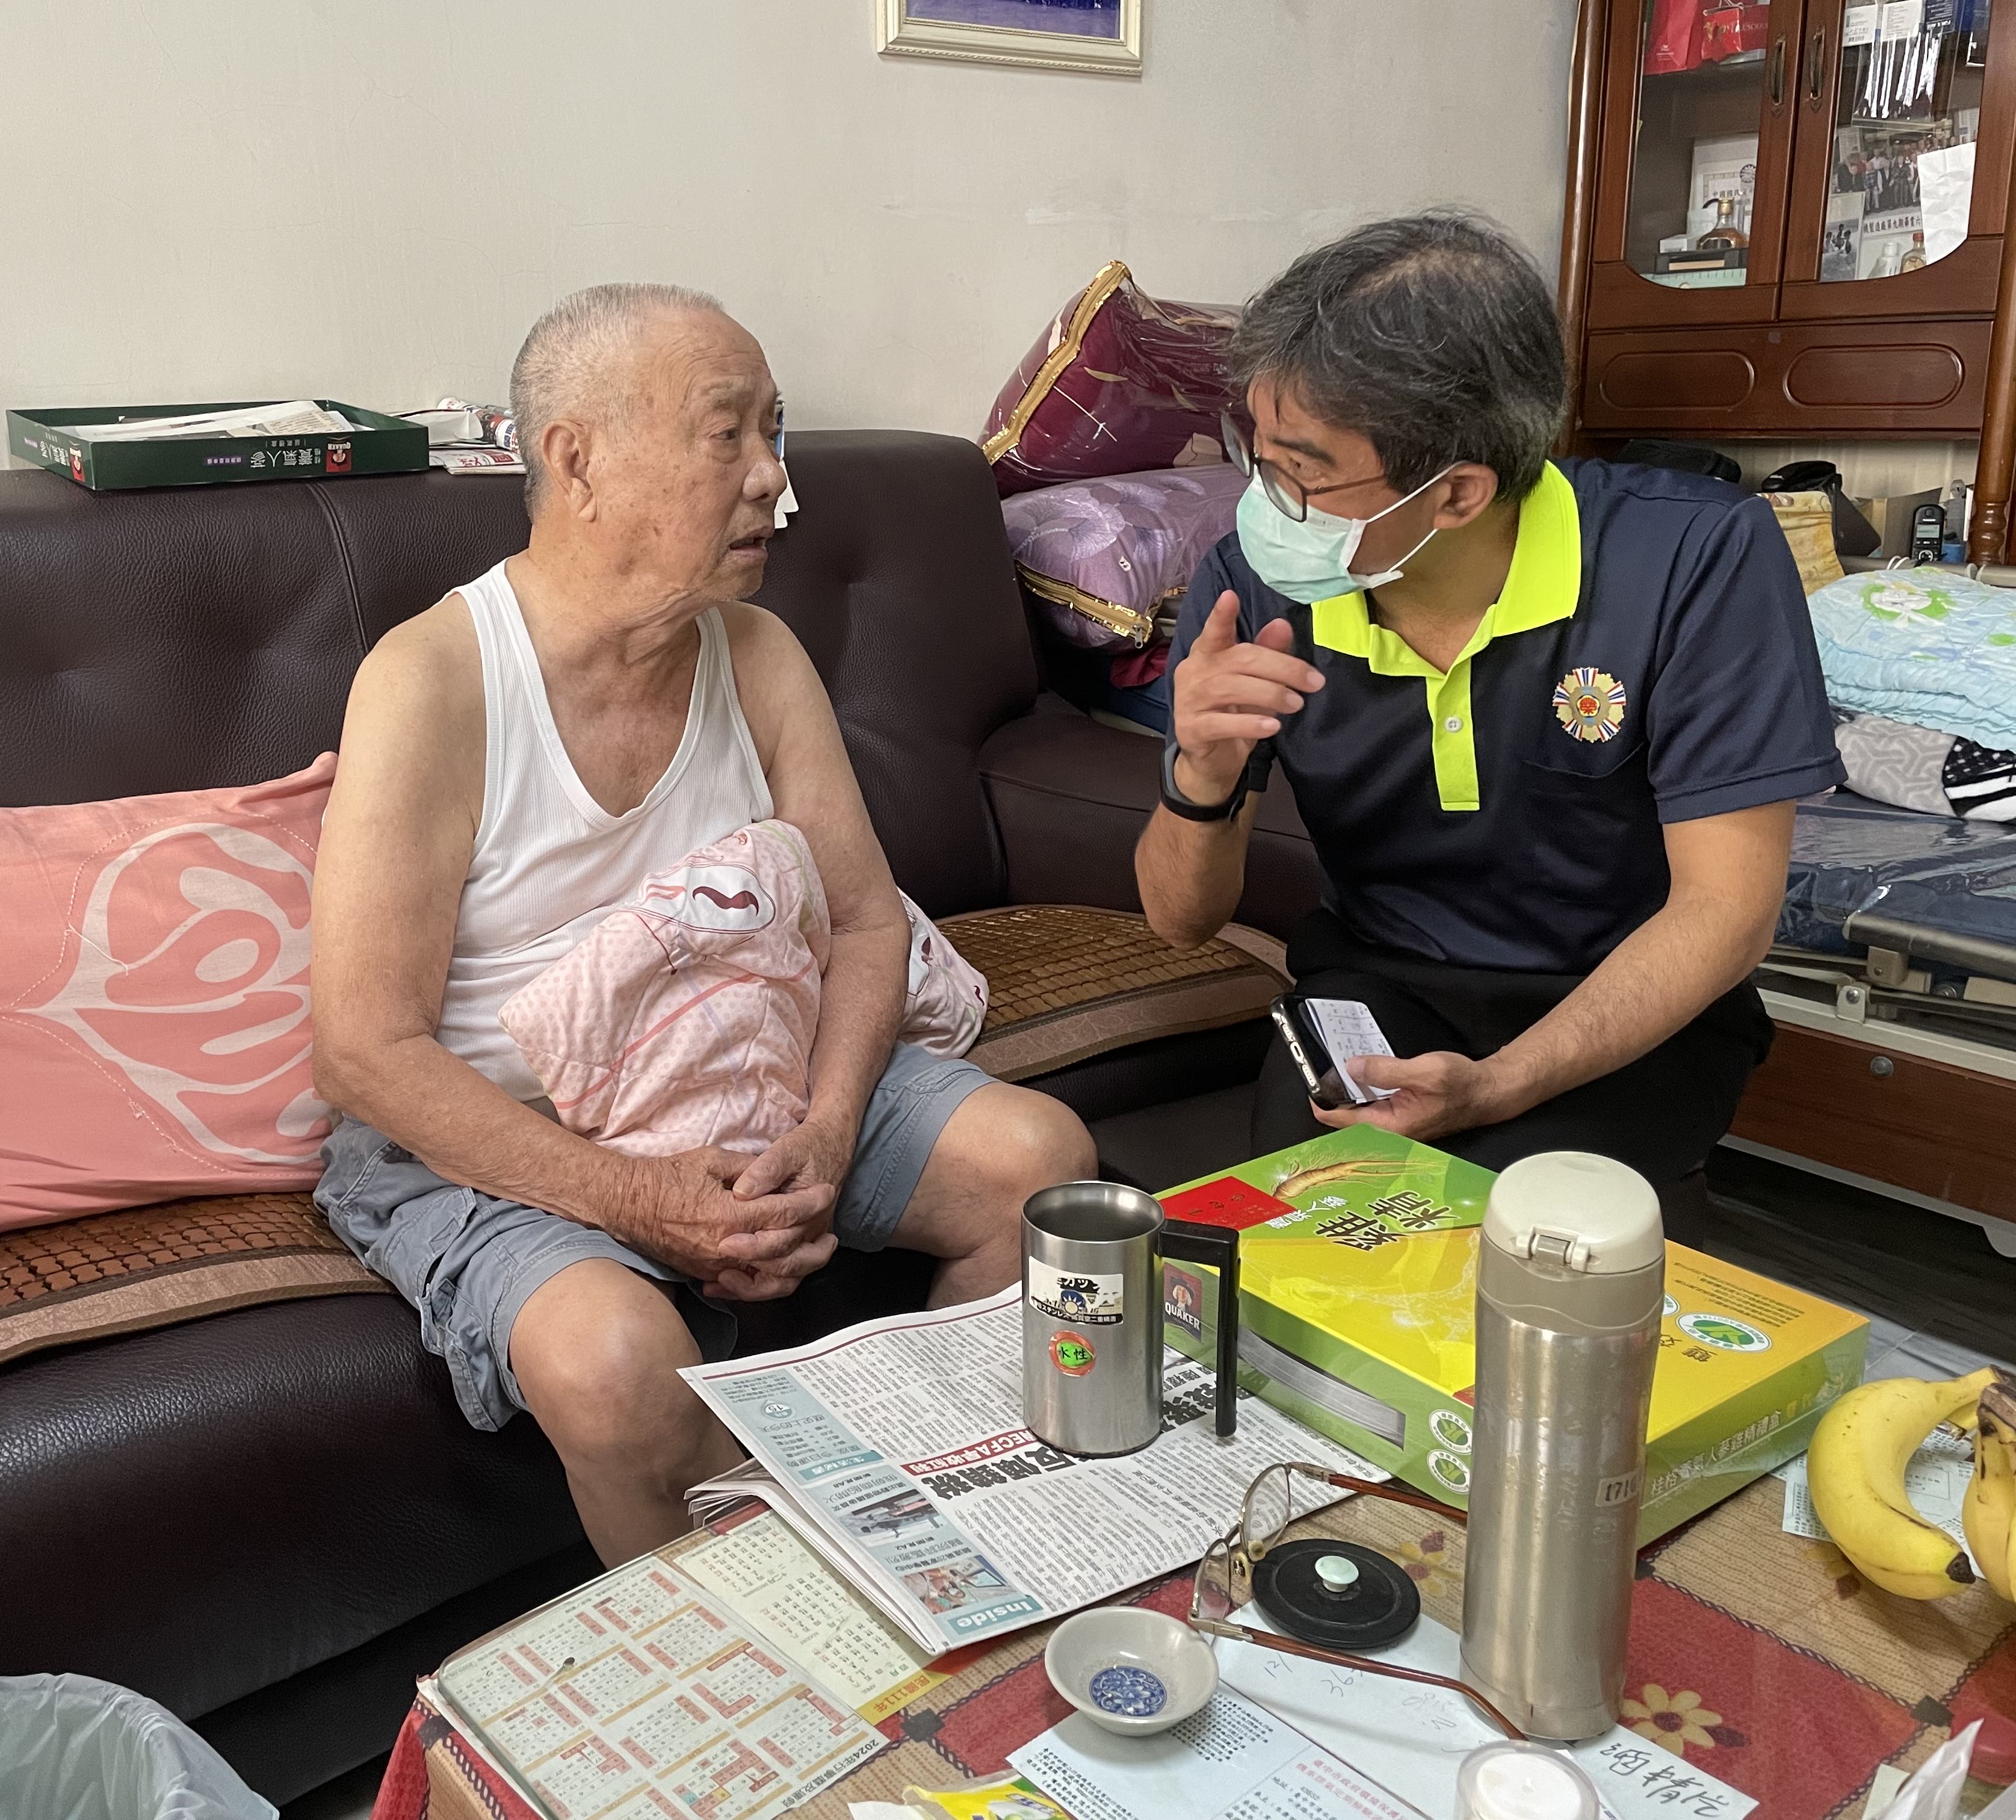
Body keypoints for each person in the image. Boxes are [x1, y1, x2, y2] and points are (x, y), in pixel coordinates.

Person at [310, 283, 1092, 1564]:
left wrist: (827, 1133)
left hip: (761, 1072)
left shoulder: (760, 651)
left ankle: (949, 1547)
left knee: (1039, 1165)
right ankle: (778, 1648)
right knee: (617, 1360)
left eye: (773, 434)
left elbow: (860, 927)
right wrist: (633, 1194)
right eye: (730, 435)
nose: (774, 480)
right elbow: (364, 1051)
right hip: (509, 1133)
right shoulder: (433, 681)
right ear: (579, 461)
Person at [1137, 213, 1842, 1186]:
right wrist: (1200, 773)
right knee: (1304, 1245)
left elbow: (1726, 913)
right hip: (1379, 985)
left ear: (1458, 493)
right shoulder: (1255, 588)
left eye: (1303, 469)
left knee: (1531, 1256)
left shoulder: (1695, 559)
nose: (1264, 497)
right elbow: (1178, 920)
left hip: (1628, 1004)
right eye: (1257, 450)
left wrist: (1499, 1086)